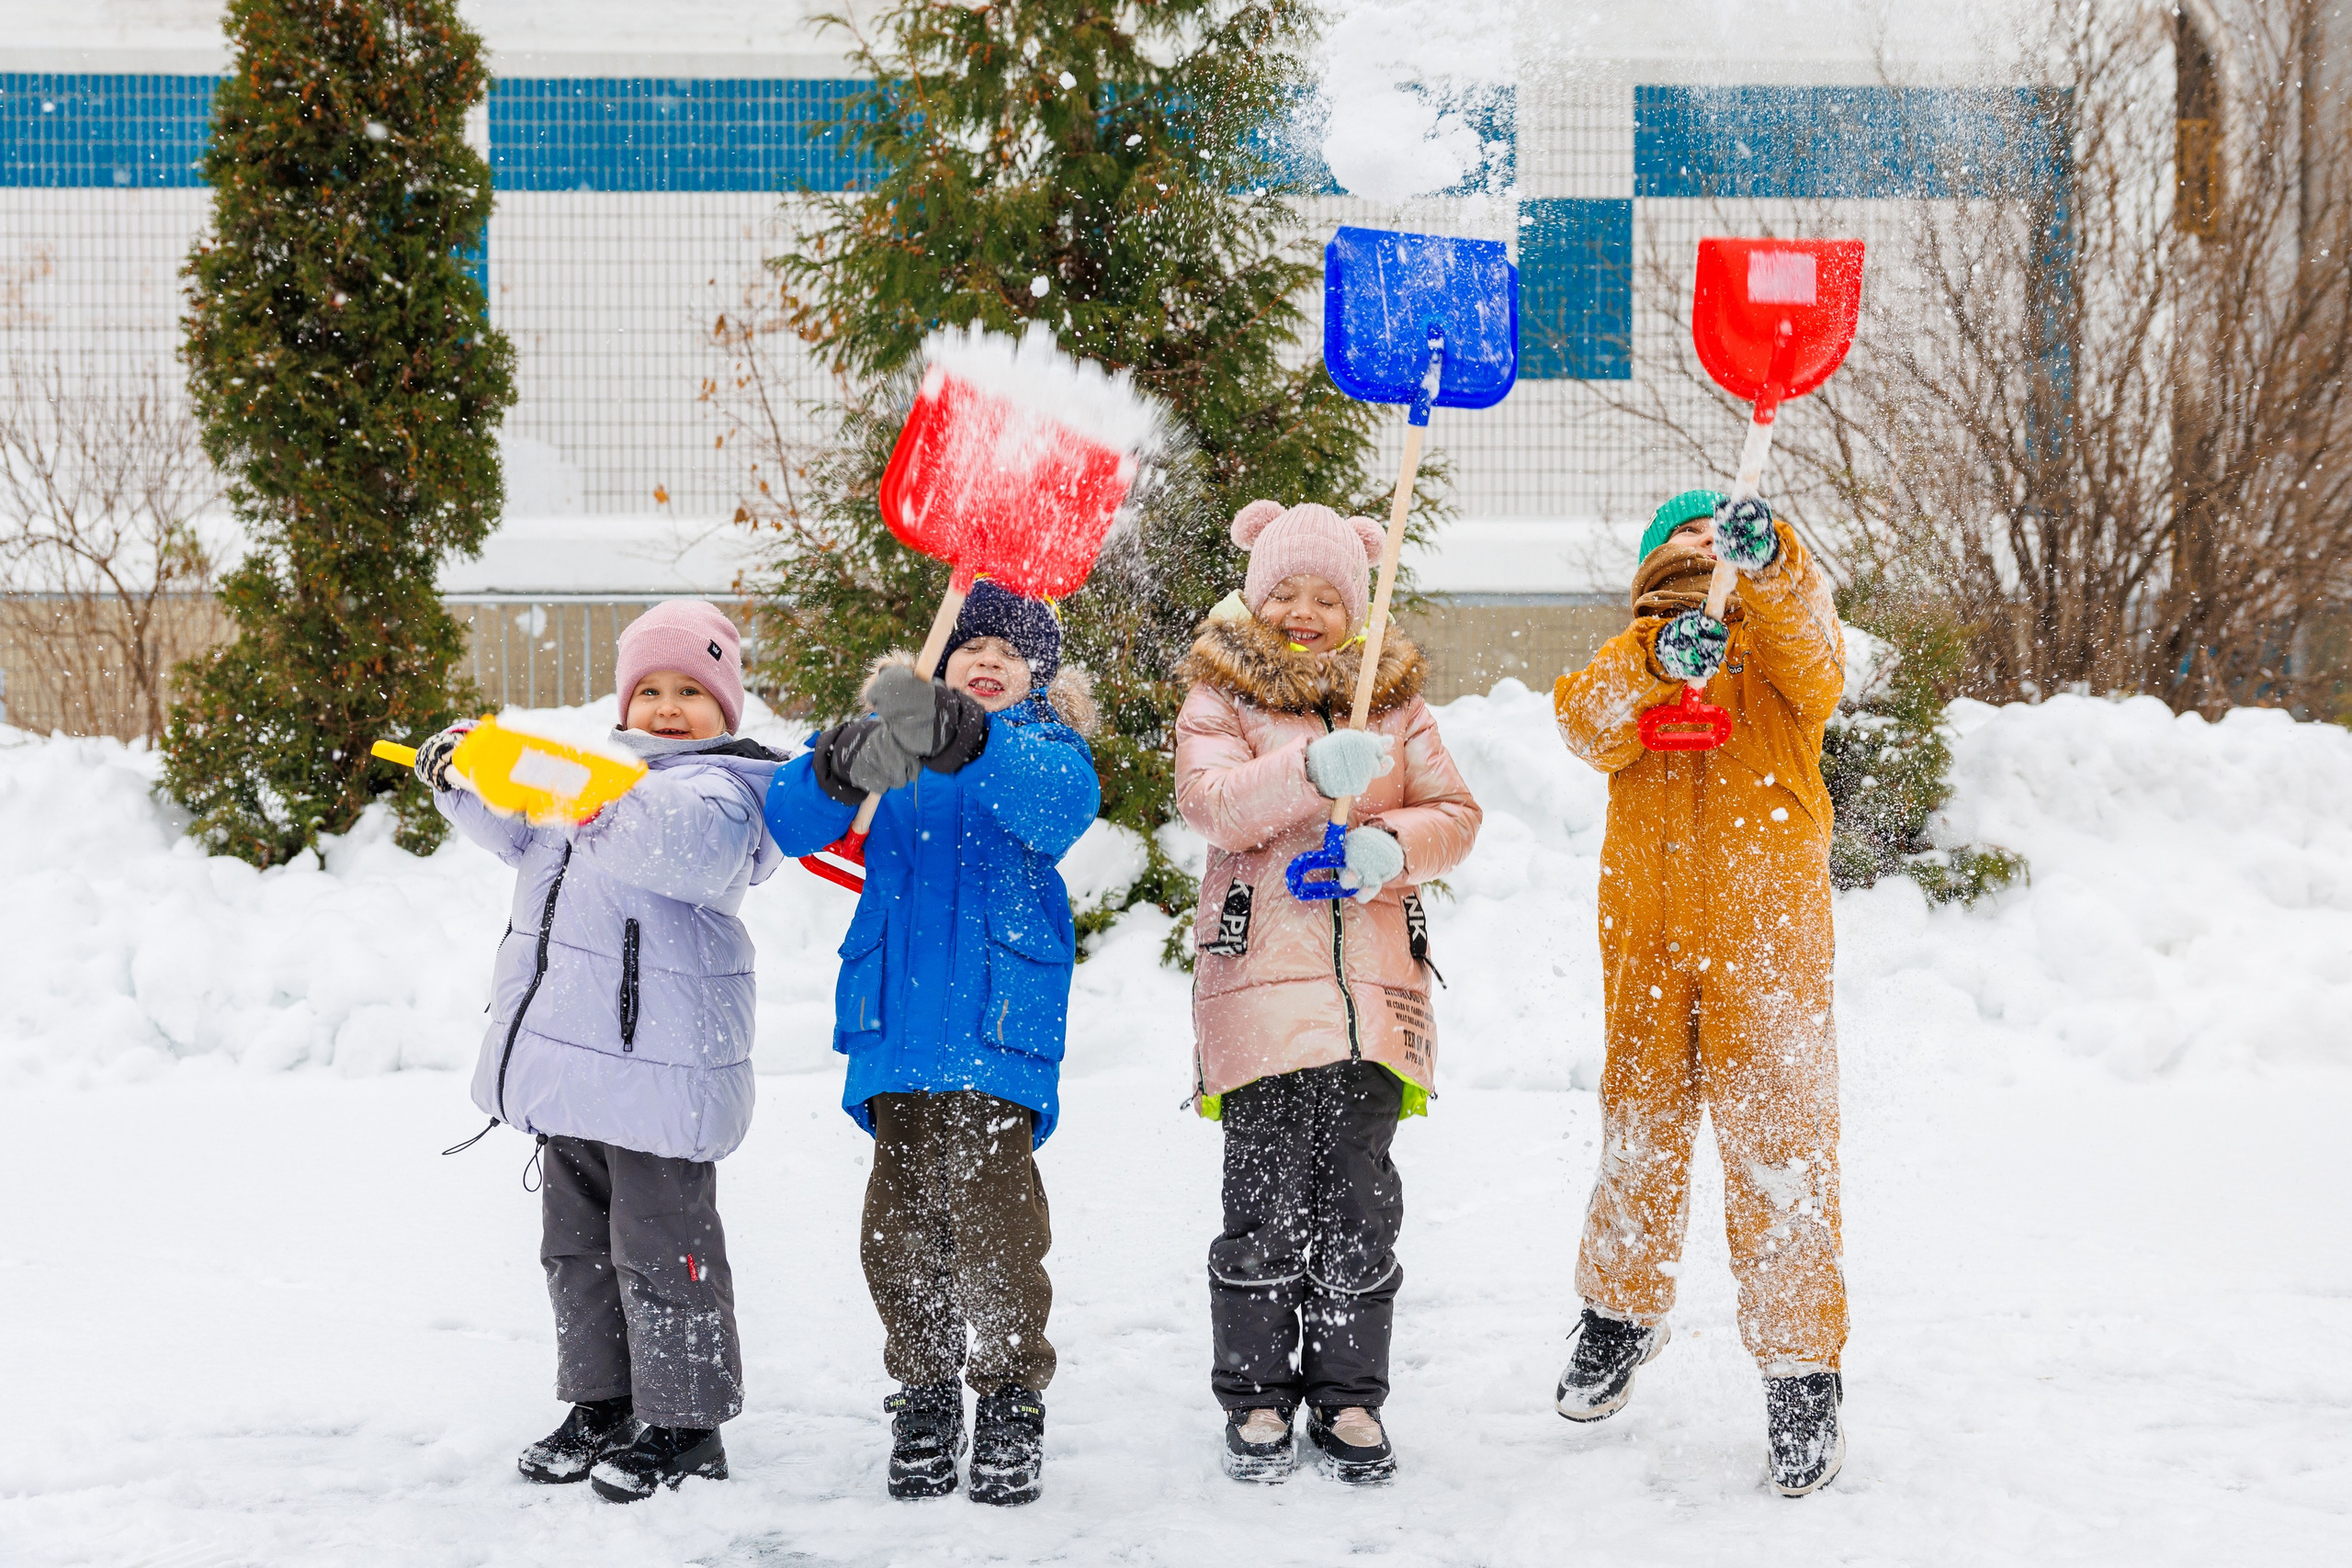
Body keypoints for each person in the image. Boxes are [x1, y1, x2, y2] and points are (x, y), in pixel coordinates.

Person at [416, 599, 785, 1503]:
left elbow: (678, 847)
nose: (665, 706)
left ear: (725, 708)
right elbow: (523, 830)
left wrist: (583, 789)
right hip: (580, 1064)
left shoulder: (724, 789)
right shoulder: (598, 780)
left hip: (660, 1074)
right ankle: (602, 1402)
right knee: (575, 1248)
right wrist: (467, 778)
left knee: (662, 1252)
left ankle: (687, 1424)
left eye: (690, 690)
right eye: (649, 688)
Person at [762, 580, 1099, 1506]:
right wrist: (837, 763)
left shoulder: (1044, 748)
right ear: (937, 659)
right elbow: (790, 822)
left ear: (1037, 678)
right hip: (900, 1027)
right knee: (899, 1230)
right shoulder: (886, 741)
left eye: (1010, 653)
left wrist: (973, 741)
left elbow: (1057, 809)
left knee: (997, 1227)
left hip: (997, 1026)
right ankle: (922, 1396)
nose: (987, 659)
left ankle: (1009, 1398)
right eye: (969, 647)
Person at [1172, 499, 1482, 1484]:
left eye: (1325, 596)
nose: (1304, 611)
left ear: (1358, 606)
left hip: (1374, 999)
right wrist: (1307, 766)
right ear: (1254, 600)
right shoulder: (1220, 696)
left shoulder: (1394, 705)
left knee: (1358, 1206)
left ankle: (1349, 1398)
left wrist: (1390, 848)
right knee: (1263, 1203)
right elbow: (1213, 804)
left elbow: (1456, 814)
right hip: (1262, 994)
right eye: (1284, 594)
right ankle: (1256, 1397)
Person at [1549, 489, 1849, 1496]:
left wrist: (1776, 568)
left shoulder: (1777, 658)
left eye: (1712, 536)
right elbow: (1584, 725)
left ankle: (1802, 1369)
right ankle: (1620, 1315)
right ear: (1647, 564)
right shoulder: (1627, 662)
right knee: (1637, 1133)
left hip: (1765, 944)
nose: (1698, 546)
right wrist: (1651, 662)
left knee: (1781, 1153)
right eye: (1679, 536)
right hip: (1648, 945)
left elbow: (1820, 661)